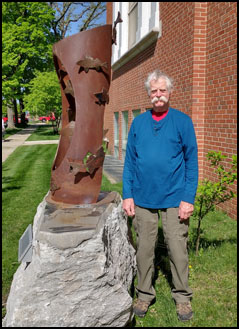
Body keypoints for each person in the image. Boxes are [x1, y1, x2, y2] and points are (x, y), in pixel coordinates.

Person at [122, 69, 198, 321]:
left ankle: (183, 297)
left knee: (177, 249)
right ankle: (144, 294)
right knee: (144, 249)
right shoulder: (138, 123)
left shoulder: (182, 122)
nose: (157, 95)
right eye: (153, 91)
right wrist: (127, 194)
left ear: (170, 92)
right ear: (148, 94)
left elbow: (191, 163)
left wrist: (188, 198)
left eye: (162, 90)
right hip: (142, 198)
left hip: (175, 199)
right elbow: (130, 162)